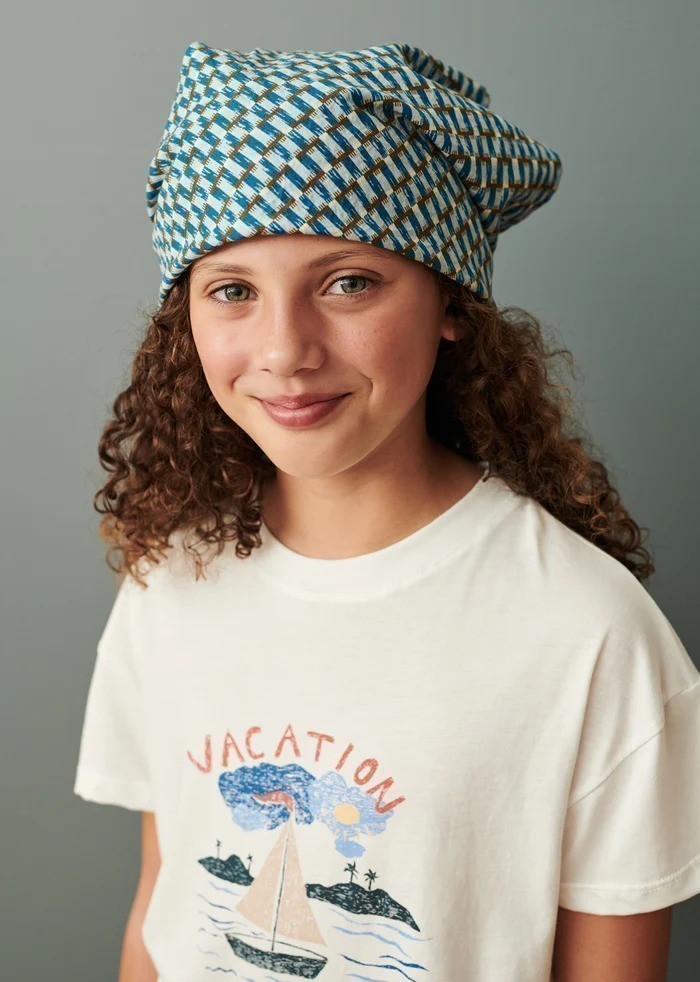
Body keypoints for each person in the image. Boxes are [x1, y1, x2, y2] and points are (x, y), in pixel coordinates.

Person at [73, 40, 700, 982]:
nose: (285, 350)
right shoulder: (170, 582)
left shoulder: (589, 632)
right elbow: (158, 921)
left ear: (450, 302)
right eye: (233, 290)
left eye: (348, 282)